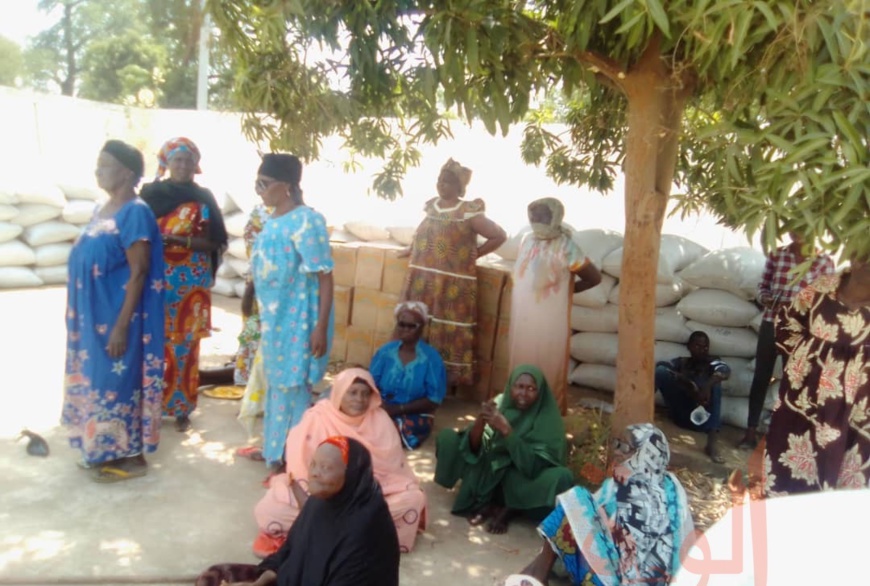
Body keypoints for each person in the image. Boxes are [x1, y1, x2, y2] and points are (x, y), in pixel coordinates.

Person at [62, 140, 165, 482]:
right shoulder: (102, 209)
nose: (98, 170)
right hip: (92, 319)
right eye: (98, 163)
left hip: (117, 318)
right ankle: (100, 448)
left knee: (115, 382)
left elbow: (138, 272)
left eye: (104, 164)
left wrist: (121, 327)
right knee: (97, 382)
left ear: (127, 173)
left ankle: (129, 455)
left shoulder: (136, 212)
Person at [254, 368, 425, 556]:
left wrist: (357, 497)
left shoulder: (381, 420)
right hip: (320, 496)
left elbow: (392, 472)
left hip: (365, 499)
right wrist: (315, 506)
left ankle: (325, 533)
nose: (359, 399)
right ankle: (353, 537)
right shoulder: (316, 418)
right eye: (352, 392)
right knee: (270, 509)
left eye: (365, 394)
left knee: (413, 498)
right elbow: (298, 470)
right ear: (339, 393)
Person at [195, 437, 400, 586]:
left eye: (326, 467)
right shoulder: (319, 503)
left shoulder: (367, 528)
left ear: (352, 474)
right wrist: (259, 583)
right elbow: (288, 552)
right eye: (313, 465)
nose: (315, 474)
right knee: (216, 576)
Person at [517, 424, 695, 586]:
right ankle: (536, 571)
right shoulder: (672, 488)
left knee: (575, 500)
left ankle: (537, 574)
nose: (617, 452)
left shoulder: (623, 486)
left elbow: (578, 520)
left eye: (625, 448)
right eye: (617, 443)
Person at [250, 154, 334, 474]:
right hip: (274, 321)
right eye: (256, 182)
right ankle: (274, 450)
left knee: (294, 388)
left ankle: (293, 458)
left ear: (286, 186)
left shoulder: (307, 220)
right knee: (277, 386)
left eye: (265, 183)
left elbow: (325, 276)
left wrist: (320, 327)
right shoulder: (270, 219)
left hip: (299, 320)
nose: (259, 190)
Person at [140, 137, 228, 432]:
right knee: (155, 342)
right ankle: (150, 405)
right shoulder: (150, 194)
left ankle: (181, 408)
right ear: (166, 163)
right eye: (177, 159)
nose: (183, 165)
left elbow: (215, 240)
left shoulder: (204, 197)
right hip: (157, 280)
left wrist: (180, 241)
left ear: (196, 165)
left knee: (186, 347)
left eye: (188, 160)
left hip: (191, 284)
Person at [762, 257, 870, 496]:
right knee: (786, 476)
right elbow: (787, 324)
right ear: (853, 258)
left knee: (844, 489)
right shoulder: (822, 289)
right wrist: (806, 365)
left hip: (858, 414)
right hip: (802, 403)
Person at [399, 158, 506, 388]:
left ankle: (444, 384)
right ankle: (413, 376)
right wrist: (412, 249)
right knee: (418, 323)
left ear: (460, 187)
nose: (441, 185)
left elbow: (499, 235)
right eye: (439, 180)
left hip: (451, 285)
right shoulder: (432, 206)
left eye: (447, 182)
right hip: (423, 280)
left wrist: (473, 255)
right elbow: (424, 233)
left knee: (447, 329)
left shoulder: (467, 211)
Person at [434, 364, 573, 534]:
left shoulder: (548, 418)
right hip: (490, 469)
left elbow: (533, 466)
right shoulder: (501, 402)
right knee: (448, 438)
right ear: (511, 386)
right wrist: (480, 420)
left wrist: (507, 431)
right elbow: (473, 448)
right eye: (519, 386)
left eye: (531, 389)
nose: (523, 393)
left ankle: (508, 508)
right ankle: (492, 503)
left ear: (540, 392)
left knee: (562, 477)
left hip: (520, 478)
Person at [738, 231, 834, 448]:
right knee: (761, 378)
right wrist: (767, 299)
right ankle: (750, 431)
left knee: (793, 384)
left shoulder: (823, 262)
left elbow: (828, 301)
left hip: (800, 332)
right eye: (793, 227)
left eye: (802, 227)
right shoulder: (777, 255)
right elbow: (763, 286)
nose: (797, 233)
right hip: (771, 324)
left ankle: (780, 438)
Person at [509, 198, 601, 413]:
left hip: (550, 317)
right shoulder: (527, 240)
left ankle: (546, 409)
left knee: (547, 359)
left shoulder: (566, 246)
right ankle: (518, 403)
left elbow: (593, 277)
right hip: (523, 315)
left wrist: (568, 292)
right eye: (532, 215)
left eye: (541, 216)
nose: (535, 220)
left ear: (554, 217)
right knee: (521, 354)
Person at [369, 301, 447, 449]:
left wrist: (397, 410)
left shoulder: (431, 358)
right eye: (401, 324)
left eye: (411, 326)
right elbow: (370, 383)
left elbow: (434, 400)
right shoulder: (385, 352)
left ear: (422, 328)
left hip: (414, 414)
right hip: (382, 407)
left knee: (388, 431)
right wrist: (380, 405)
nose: (405, 329)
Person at [654, 331, 730, 463]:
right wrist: (684, 382)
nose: (702, 350)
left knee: (716, 385)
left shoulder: (712, 363)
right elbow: (662, 365)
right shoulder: (682, 362)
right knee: (660, 372)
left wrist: (706, 387)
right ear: (688, 346)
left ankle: (711, 444)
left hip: (702, 421)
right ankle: (641, 418)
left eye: (705, 347)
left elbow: (725, 370)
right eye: (697, 346)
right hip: (680, 416)